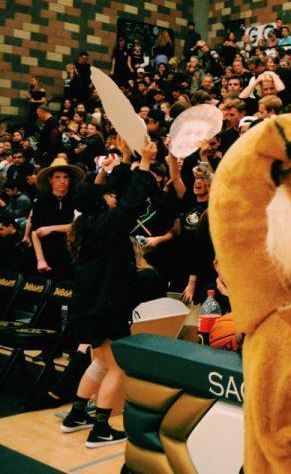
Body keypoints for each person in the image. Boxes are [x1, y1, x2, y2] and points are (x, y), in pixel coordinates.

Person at [61, 139, 160, 448]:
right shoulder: (108, 224)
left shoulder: (89, 222)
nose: (113, 197)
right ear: (103, 202)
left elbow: (114, 190)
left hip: (89, 305)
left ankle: (77, 415)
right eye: (109, 196)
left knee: (100, 362)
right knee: (116, 366)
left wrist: (125, 158)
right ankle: (101, 429)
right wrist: (144, 163)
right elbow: (131, 203)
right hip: (106, 304)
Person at [31, 157, 85, 280]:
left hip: (71, 250)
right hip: (46, 251)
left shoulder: (76, 198)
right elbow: (35, 231)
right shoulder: (41, 200)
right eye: (58, 177)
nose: (62, 181)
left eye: (66, 177)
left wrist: (52, 228)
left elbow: (79, 225)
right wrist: (40, 260)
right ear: (50, 180)